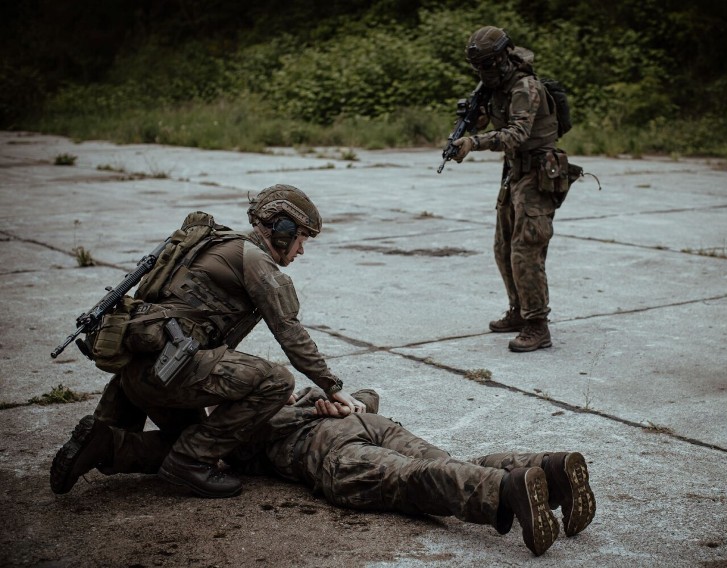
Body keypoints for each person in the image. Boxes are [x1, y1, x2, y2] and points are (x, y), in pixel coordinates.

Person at [51, 184, 366, 499]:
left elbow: (202, 334)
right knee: (277, 382)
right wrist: (333, 387)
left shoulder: (218, 246)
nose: (301, 250)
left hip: (144, 373)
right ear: (282, 230)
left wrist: (241, 391)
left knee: (196, 438)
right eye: (302, 239)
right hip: (166, 374)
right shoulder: (255, 260)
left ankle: (106, 445)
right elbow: (289, 330)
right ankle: (189, 462)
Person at [52, 387, 596, 557]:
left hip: (329, 453)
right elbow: (365, 395)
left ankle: (507, 488)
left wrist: (111, 448)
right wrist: (343, 402)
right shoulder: (281, 386)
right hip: (368, 421)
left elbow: (170, 454)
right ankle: (538, 468)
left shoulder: (231, 428)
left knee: (411, 482)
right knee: (442, 461)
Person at [450, 26, 565, 353]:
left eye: (488, 64)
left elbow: (515, 133)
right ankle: (518, 311)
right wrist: (475, 117)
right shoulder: (496, 86)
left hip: (539, 172)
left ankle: (537, 325)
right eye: (479, 67)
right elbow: (493, 120)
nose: (483, 71)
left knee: (525, 248)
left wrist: (474, 142)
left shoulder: (525, 86)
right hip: (515, 172)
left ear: (503, 57)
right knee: (502, 246)